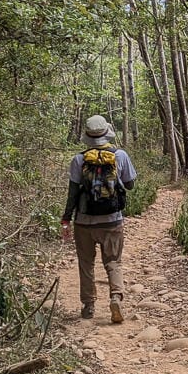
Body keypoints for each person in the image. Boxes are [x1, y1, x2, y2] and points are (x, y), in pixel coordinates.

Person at [61, 114, 136, 323]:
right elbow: (130, 185)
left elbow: (72, 193)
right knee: (113, 261)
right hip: (112, 220)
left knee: (86, 263)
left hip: (84, 222)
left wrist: (66, 219)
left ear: (87, 135)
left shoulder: (79, 159)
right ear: (107, 133)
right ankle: (116, 297)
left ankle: (88, 306)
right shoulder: (120, 155)